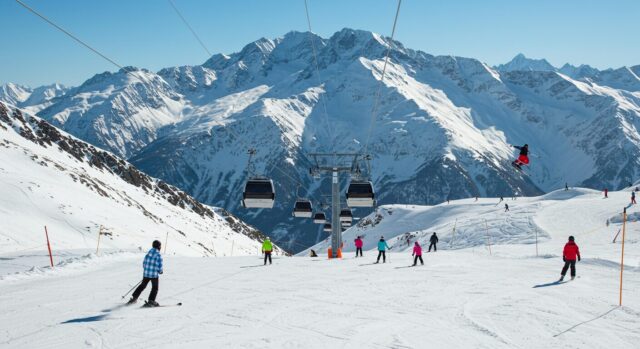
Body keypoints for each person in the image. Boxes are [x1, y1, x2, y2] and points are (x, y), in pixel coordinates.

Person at [128, 240, 163, 307]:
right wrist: (160, 271)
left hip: (146, 274)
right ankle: (151, 301)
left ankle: (134, 298)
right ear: (159, 247)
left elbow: (144, 264)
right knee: (155, 288)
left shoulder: (148, 254)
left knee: (142, 285)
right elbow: (160, 266)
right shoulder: (158, 255)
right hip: (154, 275)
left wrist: (147, 270)